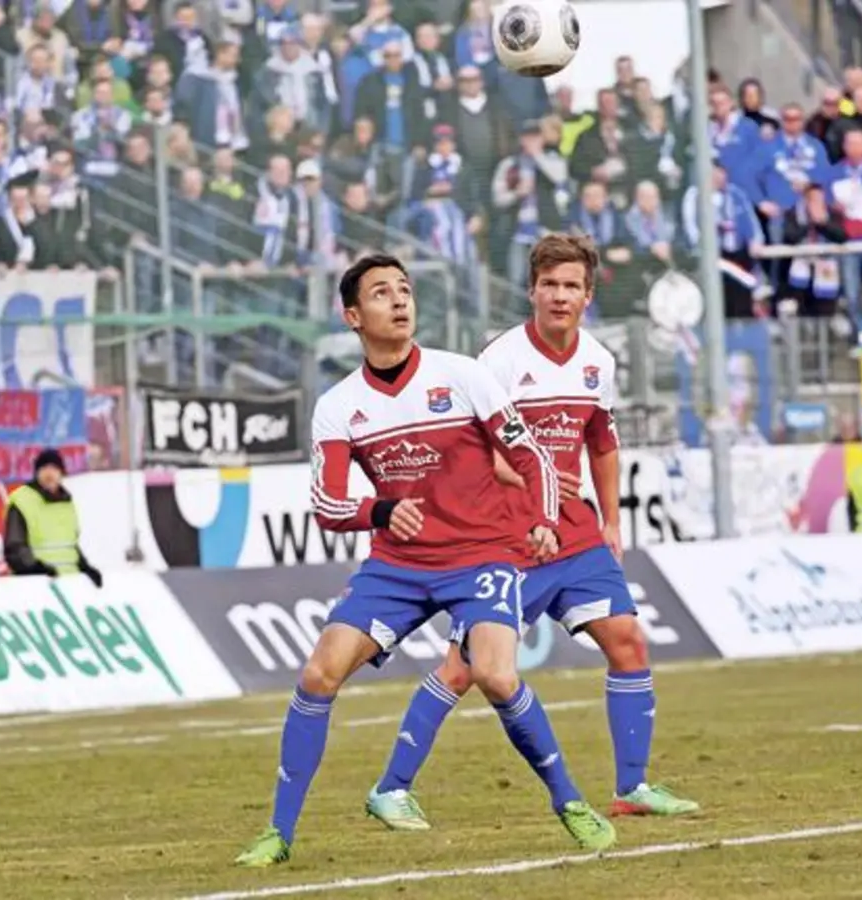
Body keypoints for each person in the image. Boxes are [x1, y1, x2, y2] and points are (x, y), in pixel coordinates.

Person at [234, 253, 616, 867]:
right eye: (382, 293)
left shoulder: (461, 375)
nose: (400, 301)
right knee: (318, 673)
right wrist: (379, 513)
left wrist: (545, 520)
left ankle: (569, 801)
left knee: (494, 674)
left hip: (481, 557)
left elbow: (533, 459)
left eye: (405, 290)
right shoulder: (338, 405)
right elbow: (329, 504)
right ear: (352, 315)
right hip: (396, 568)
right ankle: (277, 834)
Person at [363, 235, 700, 831]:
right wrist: (525, 477)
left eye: (571, 286)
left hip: (575, 536)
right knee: (463, 669)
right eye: (550, 285)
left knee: (628, 641)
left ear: (588, 296)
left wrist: (611, 519)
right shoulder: (497, 360)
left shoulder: (599, 362)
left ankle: (633, 787)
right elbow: (465, 446)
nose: (560, 296)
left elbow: (601, 439)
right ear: (532, 291)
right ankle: (391, 787)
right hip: (505, 537)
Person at [4, 448, 104, 584]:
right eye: (44, 468)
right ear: (36, 472)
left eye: (54, 468)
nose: (49, 473)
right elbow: (14, 548)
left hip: (68, 583)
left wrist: (84, 567)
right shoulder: (23, 501)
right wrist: (36, 570)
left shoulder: (67, 503)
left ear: (61, 473)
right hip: (37, 585)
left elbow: (70, 545)